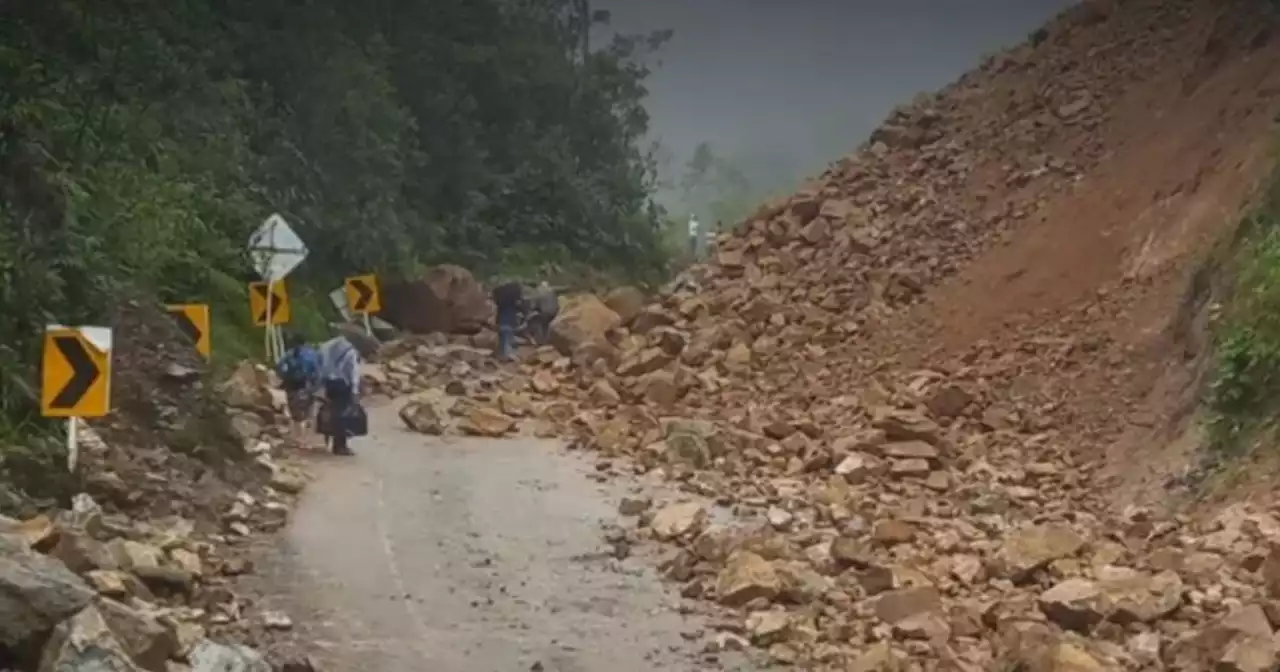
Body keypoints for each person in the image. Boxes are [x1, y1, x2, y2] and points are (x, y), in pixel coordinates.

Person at [317, 327, 363, 456]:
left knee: (331, 411)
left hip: (329, 383)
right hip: (343, 385)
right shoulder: (350, 351)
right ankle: (340, 446)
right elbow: (353, 372)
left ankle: (329, 437)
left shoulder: (325, 347)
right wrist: (355, 390)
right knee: (342, 414)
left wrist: (320, 384)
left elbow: (320, 365)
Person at [275, 331, 321, 447]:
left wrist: (283, 377)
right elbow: (317, 371)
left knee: (295, 414)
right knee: (307, 413)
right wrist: (316, 385)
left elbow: (280, 367)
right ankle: (304, 439)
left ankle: (297, 438)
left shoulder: (289, 354)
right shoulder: (311, 354)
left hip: (291, 386)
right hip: (307, 386)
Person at [491, 280, 524, 361]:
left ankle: (506, 353)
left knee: (505, 337)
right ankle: (506, 354)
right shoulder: (511, 301)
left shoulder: (502, 300)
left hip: (503, 321)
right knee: (507, 336)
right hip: (507, 322)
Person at [528, 281, 559, 345]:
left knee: (540, 324)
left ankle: (541, 342)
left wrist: (532, 309)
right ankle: (548, 340)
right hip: (554, 311)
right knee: (548, 325)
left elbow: (535, 304)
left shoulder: (539, 291)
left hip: (545, 312)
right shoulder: (552, 290)